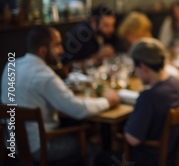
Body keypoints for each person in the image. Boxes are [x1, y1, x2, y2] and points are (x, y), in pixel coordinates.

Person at [1, 26, 120, 162]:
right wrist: (107, 101)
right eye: (57, 45)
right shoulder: (45, 76)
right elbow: (77, 109)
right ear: (43, 51)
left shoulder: (11, 66)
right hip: (40, 148)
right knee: (93, 148)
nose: (62, 50)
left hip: (11, 147)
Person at [95, 37, 179, 166]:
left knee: (101, 158)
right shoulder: (176, 83)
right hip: (174, 156)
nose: (136, 74)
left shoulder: (149, 96)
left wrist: (123, 131)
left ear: (143, 67)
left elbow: (133, 139)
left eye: (135, 69)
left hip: (149, 159)